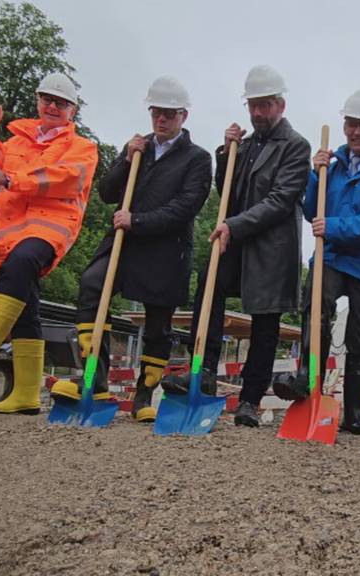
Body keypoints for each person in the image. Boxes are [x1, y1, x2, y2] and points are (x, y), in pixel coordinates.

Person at [48, 76, 211, 422]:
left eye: (168, 114)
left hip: (166, 250)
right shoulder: (138, 148)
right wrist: (125, 158)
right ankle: (95, 378)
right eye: (156, 112)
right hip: (123, 245)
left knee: (157, 324)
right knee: (92, 284)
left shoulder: (197, 158)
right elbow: (107, 192)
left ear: (183, 116)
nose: (161, 120)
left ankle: (144, 395)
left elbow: (186, 206)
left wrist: (136, 220)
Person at [163, 65, 310, 428]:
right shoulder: (245, 145)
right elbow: (228, 192)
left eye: (265, 105)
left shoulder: (296, 146)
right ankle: (205, 369)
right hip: (238, 240)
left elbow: (279, 200)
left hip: (271, 247)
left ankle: (249, 400)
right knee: (209, 290)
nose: (258, 113)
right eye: (253, 106)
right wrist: (226, 155)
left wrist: (233, 225)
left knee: (265, 323)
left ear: (281, 105)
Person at [0, 72, 98, 414]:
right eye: (46, 99)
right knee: (25, 302)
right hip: (10, 233)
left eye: (60, 102)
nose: (52, 106)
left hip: (51, 228)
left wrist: (7, 178)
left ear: (72, 111)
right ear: (37, 101)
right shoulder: (17, 141)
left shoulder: (82, 147)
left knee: (22, 265)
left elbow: (65, 179)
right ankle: (27, 395)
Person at [271, 89, 360, 435]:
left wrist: (333, 227)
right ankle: (308, 381)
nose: (358, 132)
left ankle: (352, 413)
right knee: (315, 306)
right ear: (344, 125)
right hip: (331, 256)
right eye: (352, 124)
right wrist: (316, 174)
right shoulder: (331, 168)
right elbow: (312, 210)